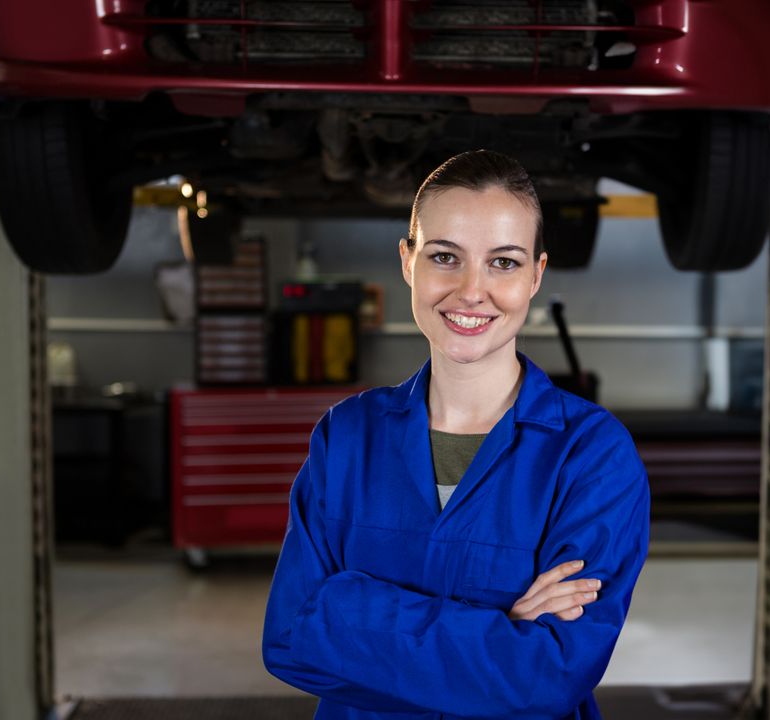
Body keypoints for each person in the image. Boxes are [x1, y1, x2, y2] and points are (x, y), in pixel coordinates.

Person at [262, 150, 650, 719]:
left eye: (504, 263)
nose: (472, 291)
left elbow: (552, 675)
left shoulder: (592, 456)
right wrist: (504, 631)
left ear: (536, 274)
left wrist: (351, 617)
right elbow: (290, 639)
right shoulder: (347, 436)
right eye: (445, 256)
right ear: (407, 261)